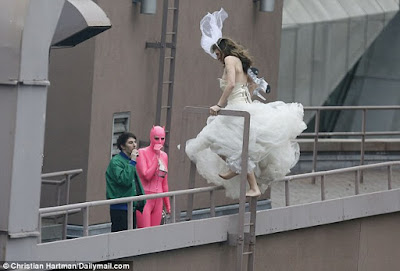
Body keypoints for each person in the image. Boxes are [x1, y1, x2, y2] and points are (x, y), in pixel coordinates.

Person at [185, 9, 307, 199]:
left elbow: (232, 84)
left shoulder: (229, 60)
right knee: (230, 144)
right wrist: (247, 100)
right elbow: (249, 84)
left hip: (236, 107)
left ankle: (241, 172)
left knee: (212, 139)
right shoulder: (239, 62)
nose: (216, 57)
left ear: (222, 49)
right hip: (241, 105)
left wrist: (218, 105)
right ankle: (239, 170)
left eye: (216, 52)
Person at [106, 132, 145, 232]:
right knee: (120, 237)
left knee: (131, 237)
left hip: (131, 206)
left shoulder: (129, 161)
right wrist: (132, 161)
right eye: (130, 143)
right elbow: (125, 180)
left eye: (135, 142)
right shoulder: (116, 162)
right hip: (120, 207)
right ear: (123, 146)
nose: (134, 145)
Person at [136, 126, 171, 228]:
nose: (159, 142)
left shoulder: (164, 156)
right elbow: (146, 175)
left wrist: (167, 204)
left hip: (158, 199)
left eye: (162, 138)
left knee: (155, 232)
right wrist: (156, 158)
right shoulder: (142, 152)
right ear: (151, 138)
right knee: (144, 231)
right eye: (156, 138)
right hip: (145, 197)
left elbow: (164, 182)